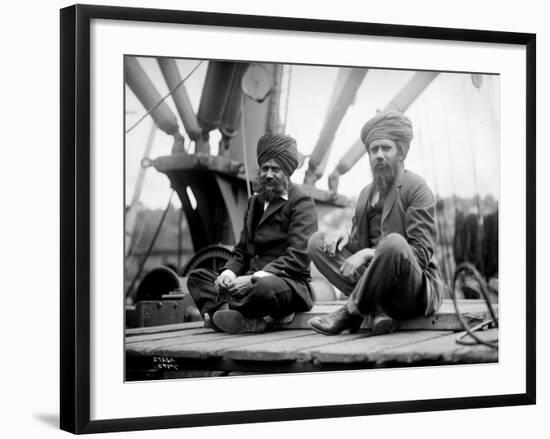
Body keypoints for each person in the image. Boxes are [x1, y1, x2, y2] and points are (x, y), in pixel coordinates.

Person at [307, 111, 447, 335]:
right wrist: (343, 236)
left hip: (411, 288)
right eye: (374, 150)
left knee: (393, 243)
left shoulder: (416, 187)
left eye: (386, 148)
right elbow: (358, 242)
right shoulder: (364, 195)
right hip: (377, 283)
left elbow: (420, 254)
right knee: (317, 241)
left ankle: (351, 313)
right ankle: (378, 308)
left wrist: (368, 253)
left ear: (400, 153)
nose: (379, 155)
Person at [187, 133, 318, 334]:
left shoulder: (301, 202)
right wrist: (228, 274)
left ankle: (220, 314)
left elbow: (297, 258)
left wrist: (252, 280)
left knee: (263, 289)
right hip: (248, 279)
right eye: (264, 168)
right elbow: (241, 252)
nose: (268, 174)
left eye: (276, 169)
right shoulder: (254, 202)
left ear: (288, 171)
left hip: (286, 282)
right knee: (197, 278)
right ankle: (243, 317)